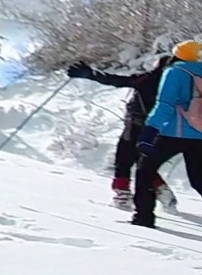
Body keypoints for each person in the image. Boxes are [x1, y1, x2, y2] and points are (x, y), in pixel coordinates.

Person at [131, 40, 202, 232]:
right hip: (200, 135)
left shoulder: (174, 72)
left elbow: (165, 104)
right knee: (198, 178)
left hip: (174, 132)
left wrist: (150, 129)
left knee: (145, 169)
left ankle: (143, 217)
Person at [66, 56, 178, 211]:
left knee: (123, 158)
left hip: (137, 125)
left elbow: (117, 80)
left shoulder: (149, 79)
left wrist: (90, 73)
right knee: (143, 161)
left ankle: (123, 195)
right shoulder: (180, 85)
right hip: (161, 129)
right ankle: (162, 190)